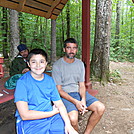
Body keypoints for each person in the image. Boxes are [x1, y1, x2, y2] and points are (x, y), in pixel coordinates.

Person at [14, 48, 78, 134]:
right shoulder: (22, 83)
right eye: (33, 62)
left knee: (66, 130)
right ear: (28, 64)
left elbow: (59, 104)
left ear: (46, 63)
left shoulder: (49, 80)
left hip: (52, 118)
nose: (38, 65)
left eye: (41, 61)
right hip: (31, 121)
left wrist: (68, 125)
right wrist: (51, 113)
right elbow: (24, 115)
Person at [52, 38, 105, 134]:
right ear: (64, 49)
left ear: (76, 50)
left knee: (100, 108)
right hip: (65, 95)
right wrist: (76, 102)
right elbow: (59, 90)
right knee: (73, 119)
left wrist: (83, 100)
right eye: (69, 48)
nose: (71, 51)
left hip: (77, 93)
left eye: (74, 48)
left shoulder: (80, 64)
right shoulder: (57, 65)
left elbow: (81, 85)